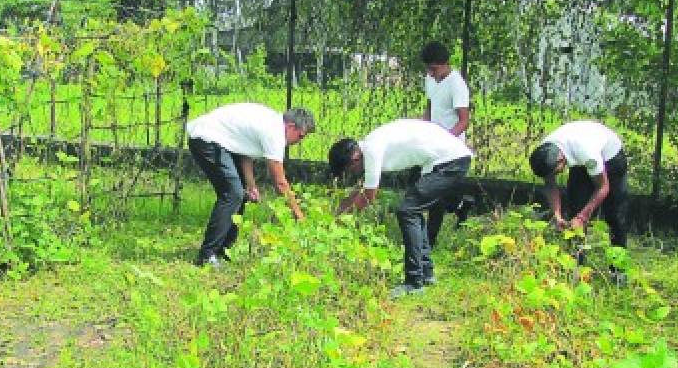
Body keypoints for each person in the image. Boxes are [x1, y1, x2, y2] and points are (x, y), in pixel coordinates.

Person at [329, 119, 473, 297]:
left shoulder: (372, 150)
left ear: (354, 159)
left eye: (350, 171)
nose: (352, 174)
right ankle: (426, 273)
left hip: (450, 161)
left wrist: (339, 218)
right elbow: (361, 190)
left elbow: (368, 197)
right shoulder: (368, 147)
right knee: (413, 209)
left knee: (408, 210)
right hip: (442, 161)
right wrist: (340, 207)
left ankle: (414, 282)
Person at [186, 104, 315, 265]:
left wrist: (250, 185)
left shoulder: (272, 122)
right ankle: (207, 255)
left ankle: (225, 249)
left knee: (240, 194)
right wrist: (298, 214)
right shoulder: (274, 134)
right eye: (301, 136)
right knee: (232, 194)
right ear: (290, 126)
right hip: (207, 139)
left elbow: (244, 151)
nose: (299, 141)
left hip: (217, 140)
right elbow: (280, 183)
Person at [528, 120, 629, 251]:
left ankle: (618, 267)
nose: (555, 175)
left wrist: (582, 217)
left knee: (614, 214)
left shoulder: (587, 153)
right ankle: (577, 264)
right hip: (579, 157)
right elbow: (550, 185)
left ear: (561, 160)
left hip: (610, 157)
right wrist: (556, 216)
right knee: (575, 208)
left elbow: (603, 187)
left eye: (555, 172)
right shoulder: (544, 153)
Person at [420, 41, 472, 248]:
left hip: (450, 148)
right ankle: (462, 206)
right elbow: (430, 106)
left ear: (445, 64)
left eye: (434, 69)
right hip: (431, 145)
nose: (431, 73)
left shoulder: (456, 84)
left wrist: (446, 141)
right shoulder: (430, 79)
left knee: (437, 197)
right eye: (428, 69)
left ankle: (429, 241)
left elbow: (464, 120)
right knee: (430, 188)